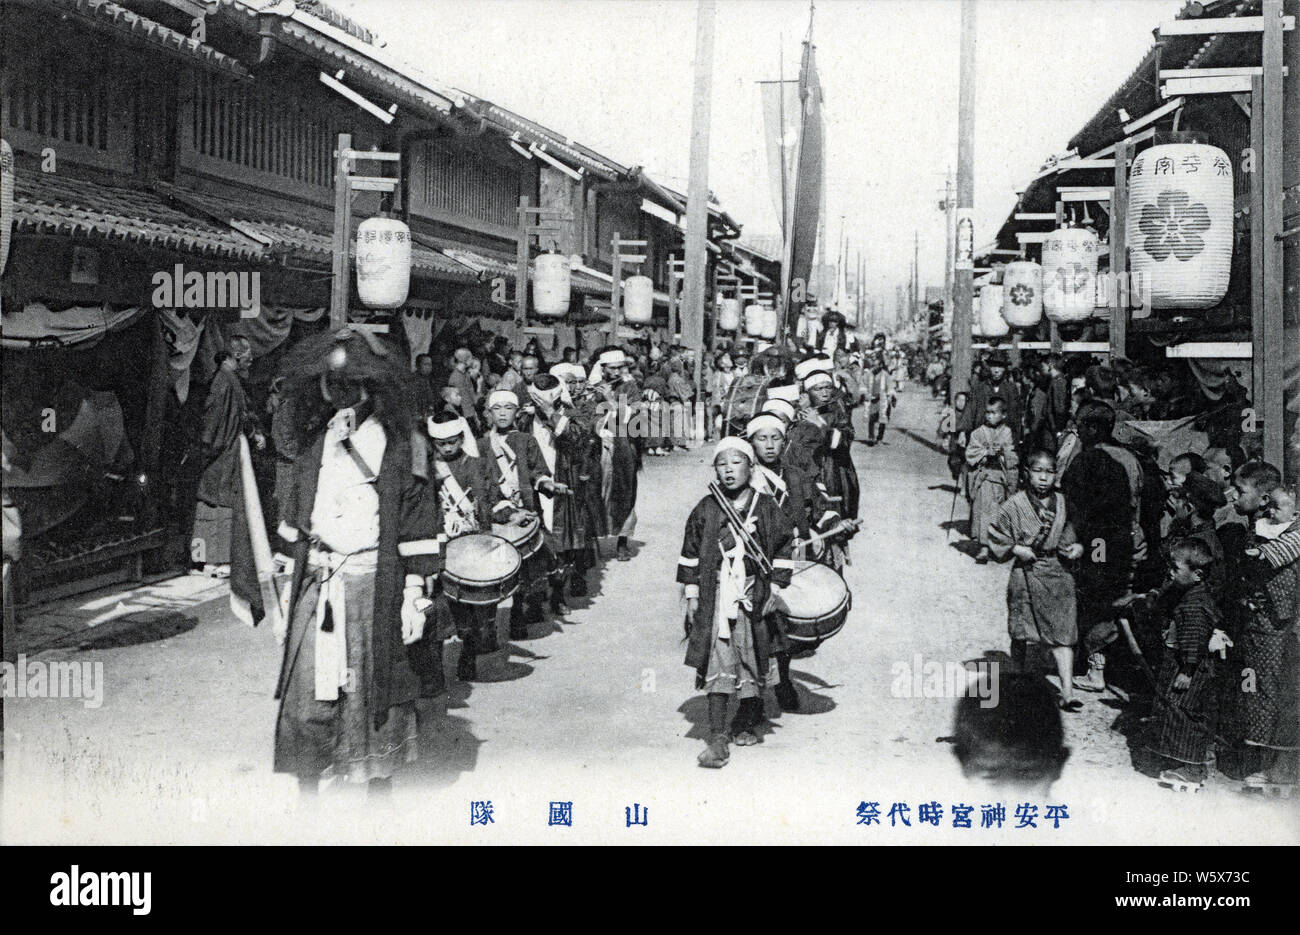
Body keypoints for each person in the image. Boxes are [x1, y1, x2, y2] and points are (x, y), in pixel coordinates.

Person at [266, 327, 439, 796]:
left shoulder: (405, 447)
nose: (341, 395)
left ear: (372, 390)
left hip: (371, 583)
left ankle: (376, 797)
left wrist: (413, 597)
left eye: (351, 385)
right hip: (318, 581)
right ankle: (307, 796)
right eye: (332, 384)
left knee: (369, 693)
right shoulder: (312, 445)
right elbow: (296, 518)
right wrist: (285, 589)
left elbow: (416, 525)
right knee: (307, 695)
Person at [677, 437, 794, 768]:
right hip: (717, 596)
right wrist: (692, 595)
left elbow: (784, 548)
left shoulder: (766, 507)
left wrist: (775, 587)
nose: (729, 471)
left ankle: (745, 721)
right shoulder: (706, 507)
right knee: (718, 660)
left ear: (751, 467)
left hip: (753, 595)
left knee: (752, 659)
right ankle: (716, 736)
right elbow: (689, 553)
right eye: (722, 464)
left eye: (736, 463)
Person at [747, 412, 848, 711]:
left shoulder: (796, 475)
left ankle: (783, 681)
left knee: (783, 629)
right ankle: (751, 695)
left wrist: (834, 525)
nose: (769, 445)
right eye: (761, 439)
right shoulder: (746, 476)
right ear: (751, 442)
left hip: (793, 560)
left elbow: (821, 509)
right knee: (756, 629)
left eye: (775, 438)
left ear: (784, 440)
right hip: (757, 562)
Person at [422, 412, 525, 682]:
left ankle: (468, 654)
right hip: (441, 545)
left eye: (452, 441)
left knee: (475, 606)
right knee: (437, 606)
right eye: (440, 443)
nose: (447, 447)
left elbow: (494, 498)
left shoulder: (478, 465)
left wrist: (509, 514)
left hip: (476, 542)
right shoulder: (427, 469)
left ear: (461, 438)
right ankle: (434, 672)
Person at [987, 450, 1085, 711]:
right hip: (1026, 571)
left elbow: (1080, 532)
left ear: (1056, 474)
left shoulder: (1065, 503)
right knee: (1021, 629)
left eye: (1050, 472)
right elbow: (995, 532)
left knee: (1064, 630)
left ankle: (1067, 691)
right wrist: (1016, 549)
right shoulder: (1015, 504)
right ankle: (1017, 681)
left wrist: (1079, 548)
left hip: (1058, 571)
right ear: (1027, 474)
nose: (1044, 477)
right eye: (1038, 471)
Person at [1062, 402, 1144, 693]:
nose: (1078, 431)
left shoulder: (1087, 460)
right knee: (1115, 598)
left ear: (1093, 428)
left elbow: (1074, 506)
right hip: (1129, 538)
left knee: (1095, 599)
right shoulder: (1131, 459)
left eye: (1080, 426)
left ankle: (1096, 669)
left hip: (1097, 542)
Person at [1230, 464, 1300, 788]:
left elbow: (1262, 561)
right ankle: (1257, 756)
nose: (1233, 496)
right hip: (1259, 625)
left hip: (1277, 626)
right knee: (1257, 690)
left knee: (1273, 693)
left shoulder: (1290, 537)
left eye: (1240, 491)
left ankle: (1277, 766)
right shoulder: (1256, 527)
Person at [482, 389, 561, 638]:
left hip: (527, 510)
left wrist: (546, 484)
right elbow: (482, 483)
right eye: (497, 408)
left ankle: (520, 612)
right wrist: (503, 511)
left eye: (508, 408)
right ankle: (488, 627)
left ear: (517, 412)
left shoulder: (526, 440)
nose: (503, 413)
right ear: (489, 413)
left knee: (532, 561)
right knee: (494, 569)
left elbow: (538, 470)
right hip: (497, 513)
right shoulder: (481, 445)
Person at [194, 337, 259, 572]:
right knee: (221, 502)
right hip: (223, 450)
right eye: (246, 356)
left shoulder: (224, 379)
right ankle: (218, 561)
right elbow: (214, 420)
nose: (249, 361)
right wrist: (207, 447)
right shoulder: (226, 381)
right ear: (235, 357)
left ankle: (205, 560)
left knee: (210, 501)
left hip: (221, 449)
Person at [594, 348, 641, 561]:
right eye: (611, 368)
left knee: (624, 491)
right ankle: (592, 540)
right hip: (598, 444)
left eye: (619, 368)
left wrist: (608, 399)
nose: (615, 372)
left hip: (623, 445)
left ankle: (622, 541)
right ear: (602, 368)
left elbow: (629, 416)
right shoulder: (593, 386)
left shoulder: (630, 387)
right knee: (595, 492)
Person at [965, 397, 1018, 564]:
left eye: (994, 413)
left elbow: (1012, 455)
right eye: (987, 413)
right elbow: (971, 453)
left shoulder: (1007, 432)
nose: (989, 416)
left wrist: (1003, 452)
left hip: (1001, 479)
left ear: (1003, 414)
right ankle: (983, 547)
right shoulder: (978, 432)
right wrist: (986, 453)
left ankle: (997, 546)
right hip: (985, 477)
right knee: (983, 512)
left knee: (999, 512)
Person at [958, 352, 1022, 450]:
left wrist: (1015, 438)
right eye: (993, 366)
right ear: (989, 367)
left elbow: (1015, 415)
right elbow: (970, 409)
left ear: (1005, 369)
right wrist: (962, 432)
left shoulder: (1011, 389)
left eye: (1000, 367)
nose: (996, 370)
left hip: (1003, 437)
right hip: (982, 435)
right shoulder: (979, 388)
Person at [445, 348, 481, 435]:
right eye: (471, 358)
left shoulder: (464, 374)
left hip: (471, 414)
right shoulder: (456, 377)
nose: (472, 360)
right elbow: (462, 401)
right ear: (465, 360)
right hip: (465, 417)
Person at [864, 352, 891, 445]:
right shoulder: (869, 374)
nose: (874, 367)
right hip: (872, 399)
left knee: (882, 420)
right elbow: (864, 385)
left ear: (881, 365)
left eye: (876, 365)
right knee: (871, 419)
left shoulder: (886, 375)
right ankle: (871, 437)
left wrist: (890, 397)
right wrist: (866, 394)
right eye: (873, 365)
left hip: (882, 400)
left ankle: (880, 438)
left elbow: (890, 387)